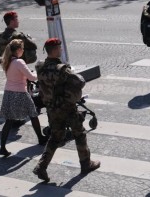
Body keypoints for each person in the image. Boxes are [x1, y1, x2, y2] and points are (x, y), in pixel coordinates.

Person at [33, 38, 100, 182]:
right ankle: (86, 164)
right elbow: (79, 81)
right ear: (55, 50)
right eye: (60, 48)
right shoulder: (62, 69)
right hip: (66, 108)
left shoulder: (39, 67)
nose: (61, 50)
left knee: (55, 137)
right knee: (80, 134)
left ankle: (41, 166)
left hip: (51, 108)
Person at [0, 39, 48, 157]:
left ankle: (2, 147)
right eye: (23, 49)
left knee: (9, 121)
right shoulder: (19, 62)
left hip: (9, 92)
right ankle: (40, 138)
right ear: (19, 50)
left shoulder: (7, 60)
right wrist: (39, 73)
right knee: (33, 114)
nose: (23, 51)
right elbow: (31, 77)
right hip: (20, 92)